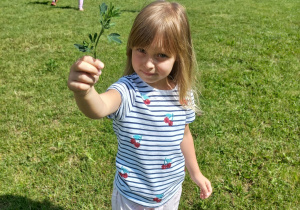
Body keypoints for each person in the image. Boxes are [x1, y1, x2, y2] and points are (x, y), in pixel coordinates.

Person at [67, 1, 212, 209]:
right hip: (131, 197)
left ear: (179, 57)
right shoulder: (127, 90)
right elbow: (98, 107)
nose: (148, 63)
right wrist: (84, 92)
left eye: (161, 55)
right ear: (131, 47)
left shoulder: (183, 93)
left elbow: (184, 135)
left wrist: (195, 173)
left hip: (170, 192)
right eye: (141, 50)